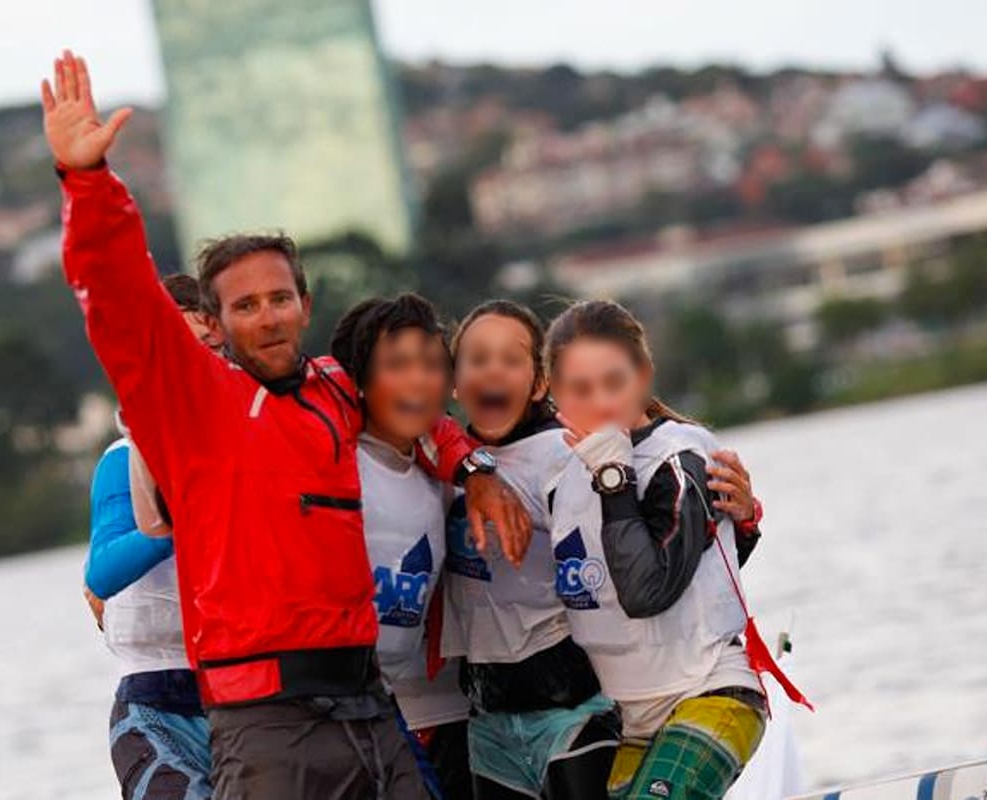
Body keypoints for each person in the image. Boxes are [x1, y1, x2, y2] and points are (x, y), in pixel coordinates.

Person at [42, 50, 530, 799]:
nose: (267, 316)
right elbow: (119, 296)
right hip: (264, 723)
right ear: (214, 323)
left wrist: (475, 468)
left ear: (305, 305)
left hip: (368, 704)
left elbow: (416, 407)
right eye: (245, 305)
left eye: (279, 298)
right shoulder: (191, 403)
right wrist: (87, 181)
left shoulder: (337, 389)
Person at [543, 300, 806, 800]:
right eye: (580, 389)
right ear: (554, 393)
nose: (601, 402)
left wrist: (614, 478)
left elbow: (647, 590)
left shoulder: (677, 458)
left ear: (644, 374)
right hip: (635, 717)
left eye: (614, 382)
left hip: (711, 691)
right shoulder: (561, 478)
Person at [443, 301, 622, 800]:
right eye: (477, 359)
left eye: (510, 359)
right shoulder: (444, 461)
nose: (492, 370)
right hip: (488, 716)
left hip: (572, 704)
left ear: (540, 383)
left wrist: (742, 524)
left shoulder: (560, 454)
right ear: (455, 383)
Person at [330, 295, 475, 800]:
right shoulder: (332, 463)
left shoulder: (447, 481)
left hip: (399, 707)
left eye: (432, 365)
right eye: (397, 365)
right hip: (320, 712)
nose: (419, 381)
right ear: (359, 381)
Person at [83, 274, 214, 800]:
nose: (188, 365)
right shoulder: (124, 458)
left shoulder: (253, 444)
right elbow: (102, 573)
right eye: (172, 351)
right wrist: (175, 521)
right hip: (155, 704)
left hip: (248, 702)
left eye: (204, 349)